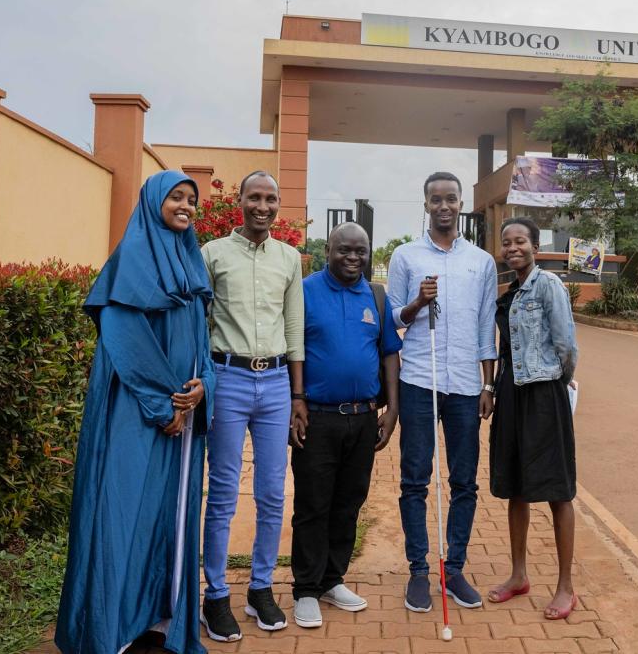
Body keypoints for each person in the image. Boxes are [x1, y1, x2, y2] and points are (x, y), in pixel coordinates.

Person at [56, 170, 214, 654]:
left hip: (182, 418)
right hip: (137, 412)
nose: (185, 206)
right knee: (122, 509)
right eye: (176, 197)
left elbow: (202, 339)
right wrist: (163, 402)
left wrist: (204, 386)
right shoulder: (131, 260)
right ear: (152, 202)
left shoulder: (189, 261)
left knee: (168, 513)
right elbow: (125, 340)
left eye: (191, 199)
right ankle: (109, 628)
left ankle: (159, 617)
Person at [200, 171, 304, 641]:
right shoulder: (212, 254)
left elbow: (295, 327)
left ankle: (261, 589)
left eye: (270, 199)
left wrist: (298, 395)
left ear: (278, 204)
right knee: (222, 494)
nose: (262, 206)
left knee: (272, 493)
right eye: (254, 197)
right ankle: (215, 595)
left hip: (277, 382)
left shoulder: (289, 258)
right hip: (228, 378)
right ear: (239, 201)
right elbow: (196, 322)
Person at [387, 171, 497, 613]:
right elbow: (394, 321)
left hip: (467, 387)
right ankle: (418, 570)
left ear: (461, 205)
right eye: (437, 199)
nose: (444, 206)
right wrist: (416, 302)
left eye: (452, 199)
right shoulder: (405, 257)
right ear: (426, 204)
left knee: (465, 481)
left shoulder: (482, 262)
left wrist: (488, 382)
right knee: (415, 478)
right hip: (418, 379)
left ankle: (454, 568)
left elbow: (485, 327)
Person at [287, 222, 402, 629]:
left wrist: (392, 411)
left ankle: (333, 579)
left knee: (348, 503)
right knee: (312, 505)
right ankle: (305, 589)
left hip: (362, 418)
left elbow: (390, 354)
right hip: (316, 417)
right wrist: (294, 401)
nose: (353, 258)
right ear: (327, 251)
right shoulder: (303, 291)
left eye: (360, 251)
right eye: (344, 250)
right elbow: (292, 350)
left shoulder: (376, 295)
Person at [485, 217, 580, 620]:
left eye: (520, 241)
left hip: (544, 394)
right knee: (515, 487)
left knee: (558, 490)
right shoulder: (508, 293)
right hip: (511, 394)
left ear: (535, 247)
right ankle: (518, 575)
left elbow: (566, 345)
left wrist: (560, 385)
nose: (512, 248)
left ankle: (565, 587)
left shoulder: (548, 286)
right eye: (506, 243)